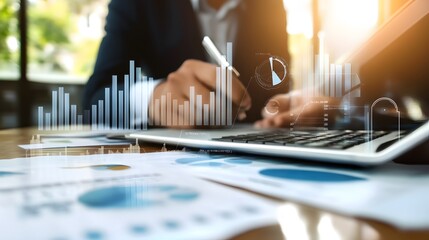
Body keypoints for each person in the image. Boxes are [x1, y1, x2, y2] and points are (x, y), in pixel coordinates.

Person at [84, 0, 293, 128]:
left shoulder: (270, 6)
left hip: (256, 155)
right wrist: (153, 98)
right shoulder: (139, 3)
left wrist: (288, 107)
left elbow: (277, 84)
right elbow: (96, 99)